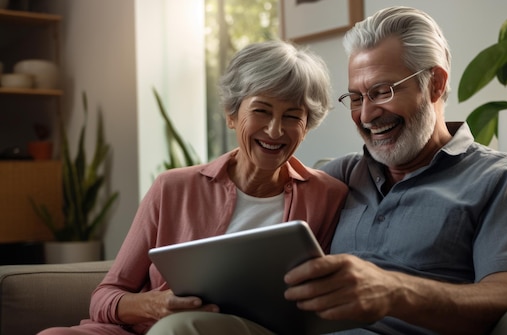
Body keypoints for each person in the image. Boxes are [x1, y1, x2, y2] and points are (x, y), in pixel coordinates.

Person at [148, 6, 507, 335]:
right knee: (180, 328)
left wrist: (396, 292)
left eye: (382, 92)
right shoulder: (337, 177)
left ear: (434, 84)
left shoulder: (499, 179)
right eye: (356, 97)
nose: (367, 114)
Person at [37, 40, 348, 335]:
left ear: (306, 128)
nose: (275, 130)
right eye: (261, 110)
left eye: (292, 116)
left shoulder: (327, 196)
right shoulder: (172, 188)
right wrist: (154, 304)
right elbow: (105, 296)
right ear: (231, 115)